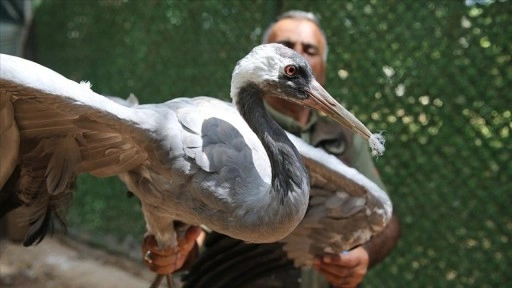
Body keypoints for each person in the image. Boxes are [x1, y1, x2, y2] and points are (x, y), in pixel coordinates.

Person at [144, 10, 401, 288]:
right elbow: (198, 219)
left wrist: (362, 257)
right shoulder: (225, 129)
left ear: (321, 68)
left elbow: (384, 221)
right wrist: (179, 250)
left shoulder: (344, 140)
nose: (295, 53)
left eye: (310, 50)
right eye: (286, 47)